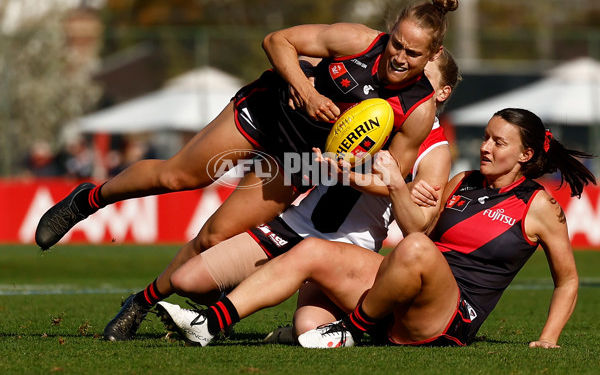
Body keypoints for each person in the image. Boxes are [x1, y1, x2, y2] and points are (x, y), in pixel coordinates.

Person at [35, 0, 459, 260]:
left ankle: (144, 305)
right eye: (397, 44)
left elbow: (387, 178)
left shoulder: (418, 109)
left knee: (215, 236)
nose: (399, 57)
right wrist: (304, 88)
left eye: (413, 53)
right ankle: (86, 200)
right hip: (269, 110)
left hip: (298, 161)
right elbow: (278, 41)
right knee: (176, 175)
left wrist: (346, 171)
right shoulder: (358, 40)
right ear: (390, 34)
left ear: (433, 55)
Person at [156, 108, 596, 349]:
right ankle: (209, 324)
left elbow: (568, 279)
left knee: (418, 250)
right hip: (407, 283)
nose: (484, 146)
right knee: (312, 249)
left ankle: (354, 329)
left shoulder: (539, 206)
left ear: (523, 155)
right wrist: (396, 187)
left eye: (498, 142)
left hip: (447, 318)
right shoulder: (463, 182)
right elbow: (413, 226)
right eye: (484, 136)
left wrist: (548, 339)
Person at [101, 49, 461, 341]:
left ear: (441, 93)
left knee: (309, 328)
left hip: (347, 251)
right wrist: (302, 84)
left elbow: (418, 226)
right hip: (298, 222)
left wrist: (389, 184)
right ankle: (188, 304)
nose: (410, 81)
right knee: (188, 280)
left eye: (424, 79)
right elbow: (315, 62)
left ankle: (215, 324)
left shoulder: (434, 150)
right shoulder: (369, 107)